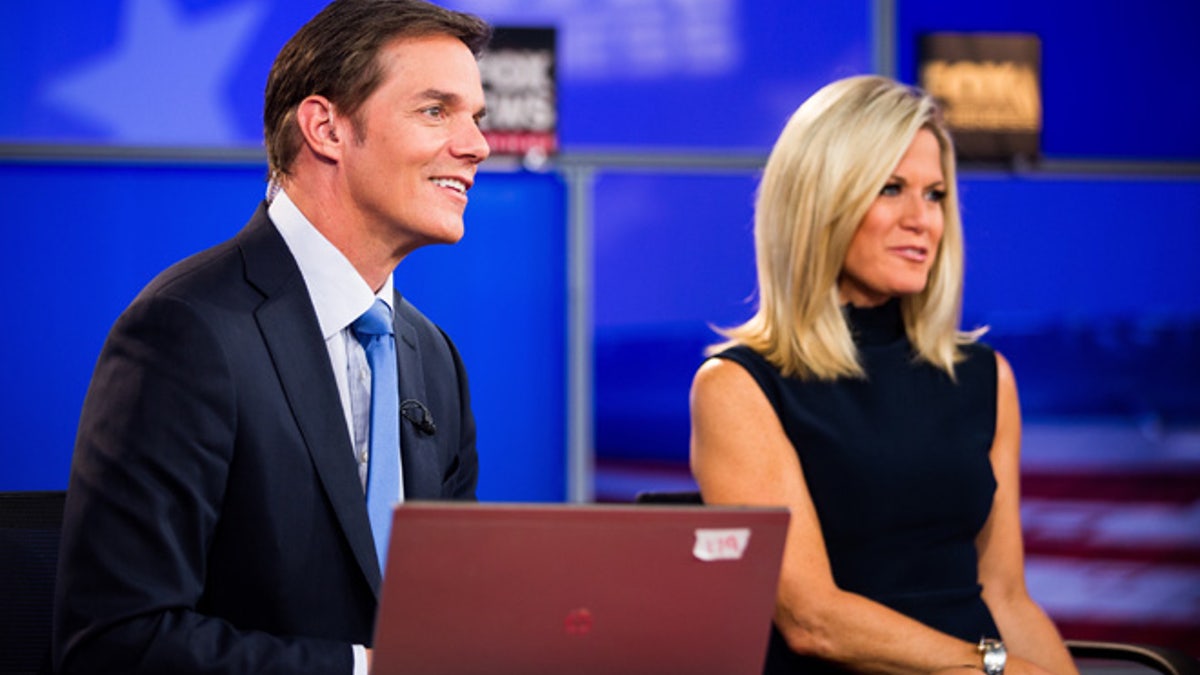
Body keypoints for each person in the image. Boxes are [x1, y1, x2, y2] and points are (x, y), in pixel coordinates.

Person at [52, 1, 491, 673]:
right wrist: (366, 668)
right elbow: (118, 641)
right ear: (326, 128)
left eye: (476, 118)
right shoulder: (186, 330)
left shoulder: (433, 357)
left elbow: (447, 612)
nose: (477, 145)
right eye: (436, 111)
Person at [689, 75, 1079, 675]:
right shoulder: (738, 386)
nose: (921, 220)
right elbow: (813, 621)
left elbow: (1006, 597)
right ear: (821, 203)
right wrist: (996, 669)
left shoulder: (986, 377)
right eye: (892, 189)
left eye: (936, 195)